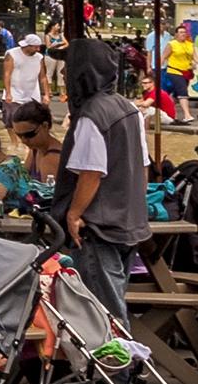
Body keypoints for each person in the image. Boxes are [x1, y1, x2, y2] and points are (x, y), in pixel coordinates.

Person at [60, 36, 150, 323]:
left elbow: (92, 172)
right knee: (113, 299)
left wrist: (74, 214)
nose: (63, 74)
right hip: (128, 221)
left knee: (104, 310)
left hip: (99, 226)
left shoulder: (91, 115)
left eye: (67, 68)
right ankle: (123, 364)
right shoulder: (130, 109)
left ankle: (119, 367)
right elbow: (143, 167)